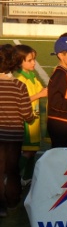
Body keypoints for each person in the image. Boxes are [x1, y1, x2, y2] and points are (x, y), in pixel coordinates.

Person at [0, 45, 35, 217]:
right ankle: (13, 201)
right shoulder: (19, 86)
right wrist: (31, 117)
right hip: (14, 135)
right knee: (13, 169)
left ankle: (1, 206)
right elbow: (27, 113)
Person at [14, 44, 47, 186]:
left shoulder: (32, 76)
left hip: (34, 119)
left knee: (32, 151)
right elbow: (20, 100)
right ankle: (10, 176)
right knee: (27, 152)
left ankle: (27, 178)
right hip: (26, 122)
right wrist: (40, 95)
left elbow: (42, 90)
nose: (34, 63)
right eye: (29, 60)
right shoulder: (19, 79)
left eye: (34, 59)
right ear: (19, 62)